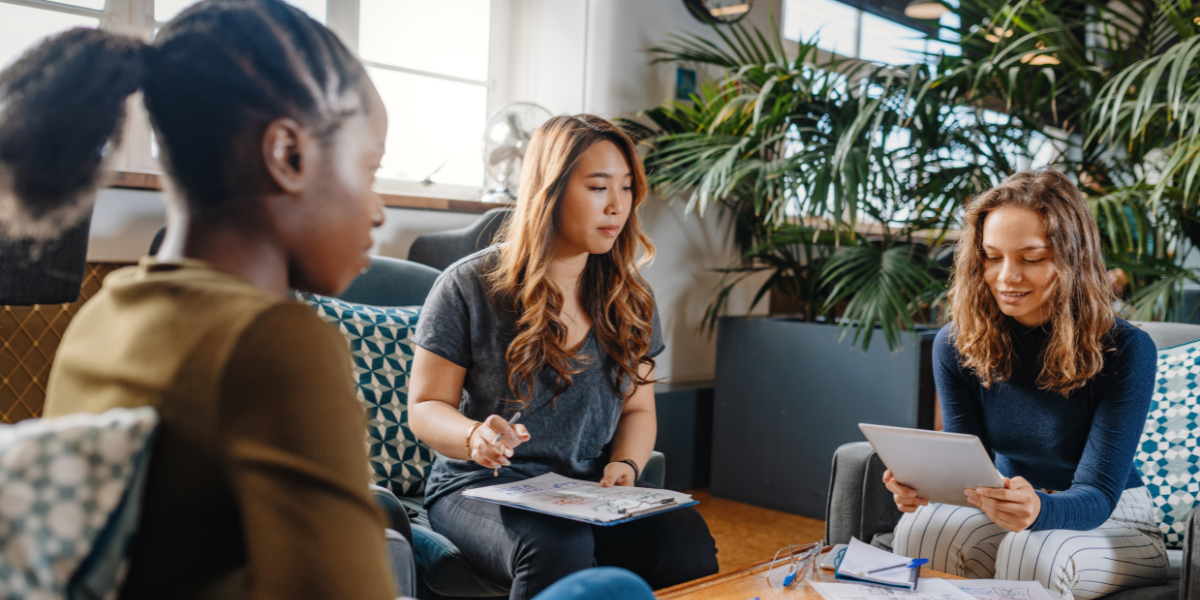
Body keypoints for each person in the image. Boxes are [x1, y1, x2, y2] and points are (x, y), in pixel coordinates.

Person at [4, 0, 410, 597]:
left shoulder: (101, 317)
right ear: (288, 156)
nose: (377, 210)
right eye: (370, 171)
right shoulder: (276, 341)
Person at [407, 114, 719, 600]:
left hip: (582, 492)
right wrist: (474, 436)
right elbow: (425, 406)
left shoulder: (632, 299)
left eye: (626, 187)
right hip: (477, 488)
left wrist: (628, 467)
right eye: (598, 187)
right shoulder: (468, 285)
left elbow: (638, 409)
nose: (617, 206)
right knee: (557, 543)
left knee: (684, 538)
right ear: (550, 191)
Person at [885, 170, 1169, 599]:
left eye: (1031, 258)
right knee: (922, 528)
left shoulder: (1127, 349)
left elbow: (1098, 493)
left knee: (1035, 549)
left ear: (1073, 258)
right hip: (1010, 506)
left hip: (1114, 520)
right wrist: (924, 487)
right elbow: (969, 463)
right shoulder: (956, 343)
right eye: (991, 256)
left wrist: (1040, 508)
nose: (1006, 276)